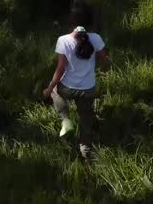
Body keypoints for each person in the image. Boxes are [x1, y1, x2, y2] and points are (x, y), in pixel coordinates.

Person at [43, 24, 108, 159]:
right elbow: (103, 58)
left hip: (67, 88)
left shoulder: (64, 40)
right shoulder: (95, 38)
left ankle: (66, 120)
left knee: (55, 90)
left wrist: (49, 88)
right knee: (86, 116)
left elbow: (60, 69)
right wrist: (97, 66)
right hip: (88, 89)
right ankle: (85, 148)